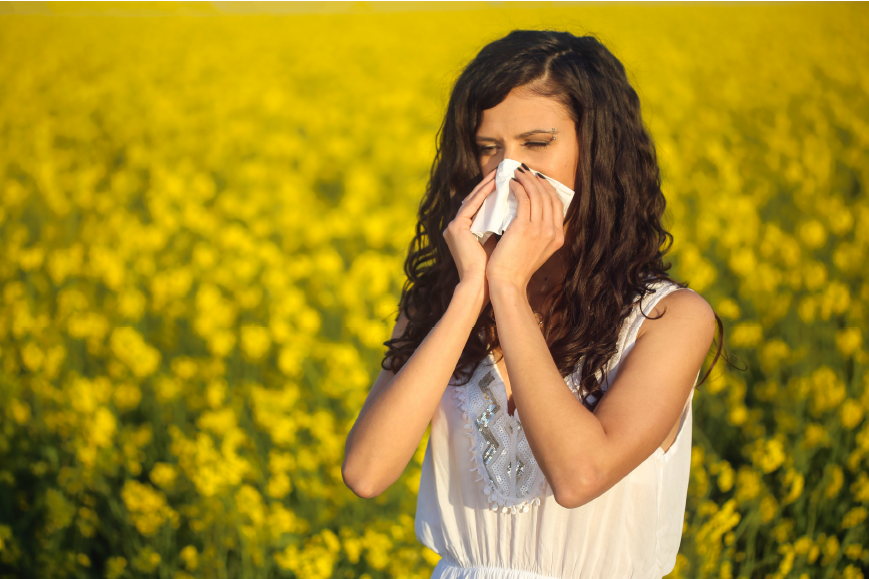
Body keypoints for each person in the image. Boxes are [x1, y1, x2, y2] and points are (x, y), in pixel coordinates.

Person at [343, 29, 729, 579]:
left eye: (537, 143)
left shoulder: (669, 319)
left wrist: (507, 289)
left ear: (596, 152)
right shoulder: (444, 302)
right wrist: (470, 293)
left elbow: (579, 476)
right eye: (487, 149)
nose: (510, 172)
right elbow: (367, 472)